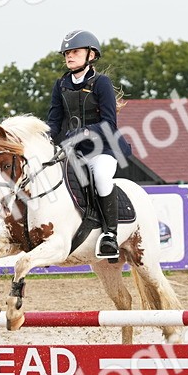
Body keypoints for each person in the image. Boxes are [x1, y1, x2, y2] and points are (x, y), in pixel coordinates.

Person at [46, 29, 132, 259]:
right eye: (66, 53)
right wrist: (45, 137)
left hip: (102, 148)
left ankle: (110, 235)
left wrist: (82, 132)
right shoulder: (61, 84)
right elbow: (54, 121)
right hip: (72, 150)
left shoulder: (101, 83)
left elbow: (109, 124)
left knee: (102, 177)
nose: (69, 56)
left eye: (75, 52)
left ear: (91, 55)